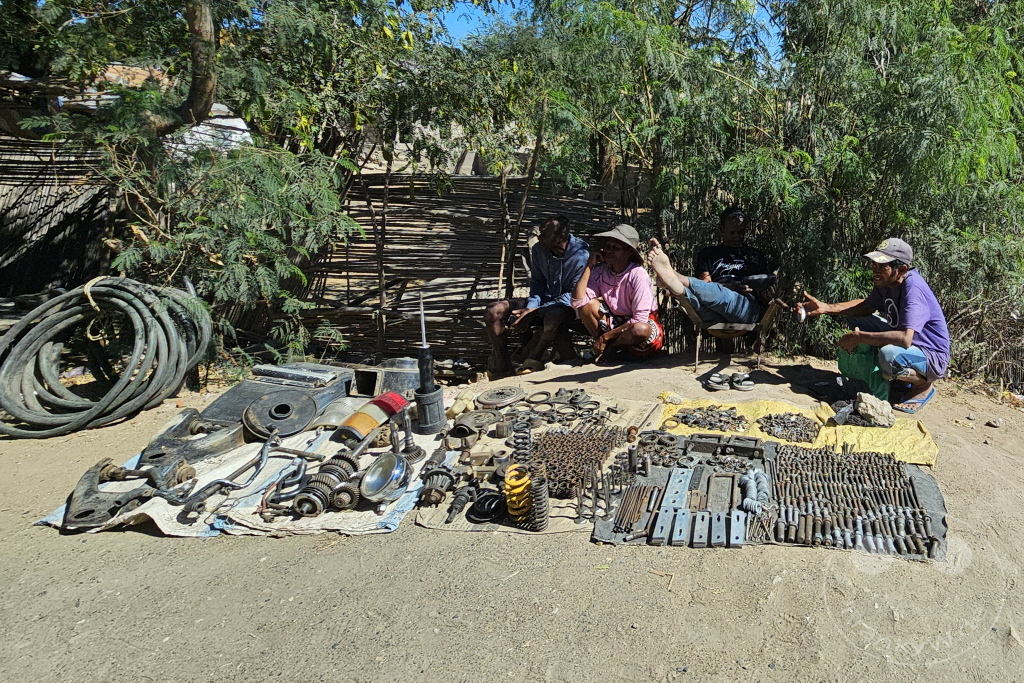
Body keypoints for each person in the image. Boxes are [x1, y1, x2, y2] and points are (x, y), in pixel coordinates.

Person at [795, 238, 950, 413]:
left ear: (902, 269)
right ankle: (892, 379)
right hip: (909, 345)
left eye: (882, 266)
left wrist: (860, 338)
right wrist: (826, 308)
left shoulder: (913, 289)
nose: (875, 270)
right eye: (874, 265)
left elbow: (905, 339)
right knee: (857, 319)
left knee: (889, 356)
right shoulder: (887, 283)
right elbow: (866, 306)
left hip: (930, 355)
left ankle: (922, 385)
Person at [484, 215, 589, 378]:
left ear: (560, 236)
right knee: (494, 311)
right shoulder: (540, 250)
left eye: (545, 233)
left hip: (571, 307)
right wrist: (530, 307)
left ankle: (532, 359)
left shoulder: (581, 255)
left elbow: (573, 296)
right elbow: (538, 283)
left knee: (554, 315)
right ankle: (502, 365)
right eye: (540, 232)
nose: (539, 237)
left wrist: (536, 311)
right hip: (547, 301)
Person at [647, 206, 774, 325]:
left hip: (744, 308)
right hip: (711, 312)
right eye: (732, 233)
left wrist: (765, 294)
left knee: (725, 296)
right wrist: (730, 286)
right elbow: (705, 285)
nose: (737, 237)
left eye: (740, 232)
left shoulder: (754, 256)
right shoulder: (708, 254)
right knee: (693, 300)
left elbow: (764, 292)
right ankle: (677, 285)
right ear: (721, 230)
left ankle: (675, 277)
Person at [571, 224, 663, 362]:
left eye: (615, 248)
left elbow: (639, 319)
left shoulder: (638, 274)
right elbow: (577, 301)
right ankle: (605, 348)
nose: (608, 251)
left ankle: (611, 348)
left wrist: (606, 337)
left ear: (629, 252)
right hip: (616, 321)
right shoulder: (601, 271)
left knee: (640, 329)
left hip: (638, 325)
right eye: (607, 246)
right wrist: (589, 266)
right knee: (587, 305)